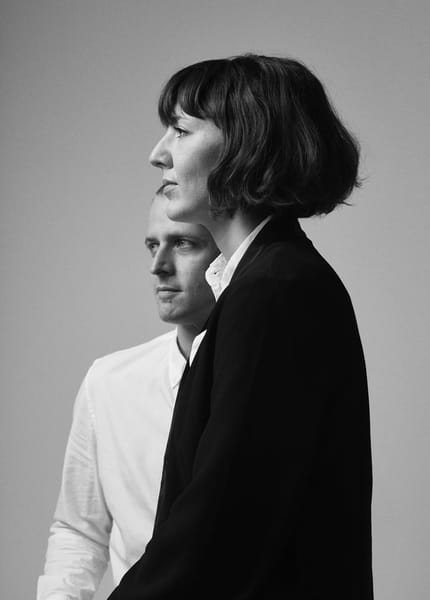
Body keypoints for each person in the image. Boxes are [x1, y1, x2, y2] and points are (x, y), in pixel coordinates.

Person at [109, 54, 373, 599]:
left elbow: (222, 524)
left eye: (181, 130)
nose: (158, 153)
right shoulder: (265, 281)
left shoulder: (275, 289)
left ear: (245, 144)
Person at [37, 192, 219, 600]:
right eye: (153, 245)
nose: (158, 265)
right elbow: (79, 530)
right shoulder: (109, 384)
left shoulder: (266, 383)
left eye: (183, 243)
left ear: (227, 259)